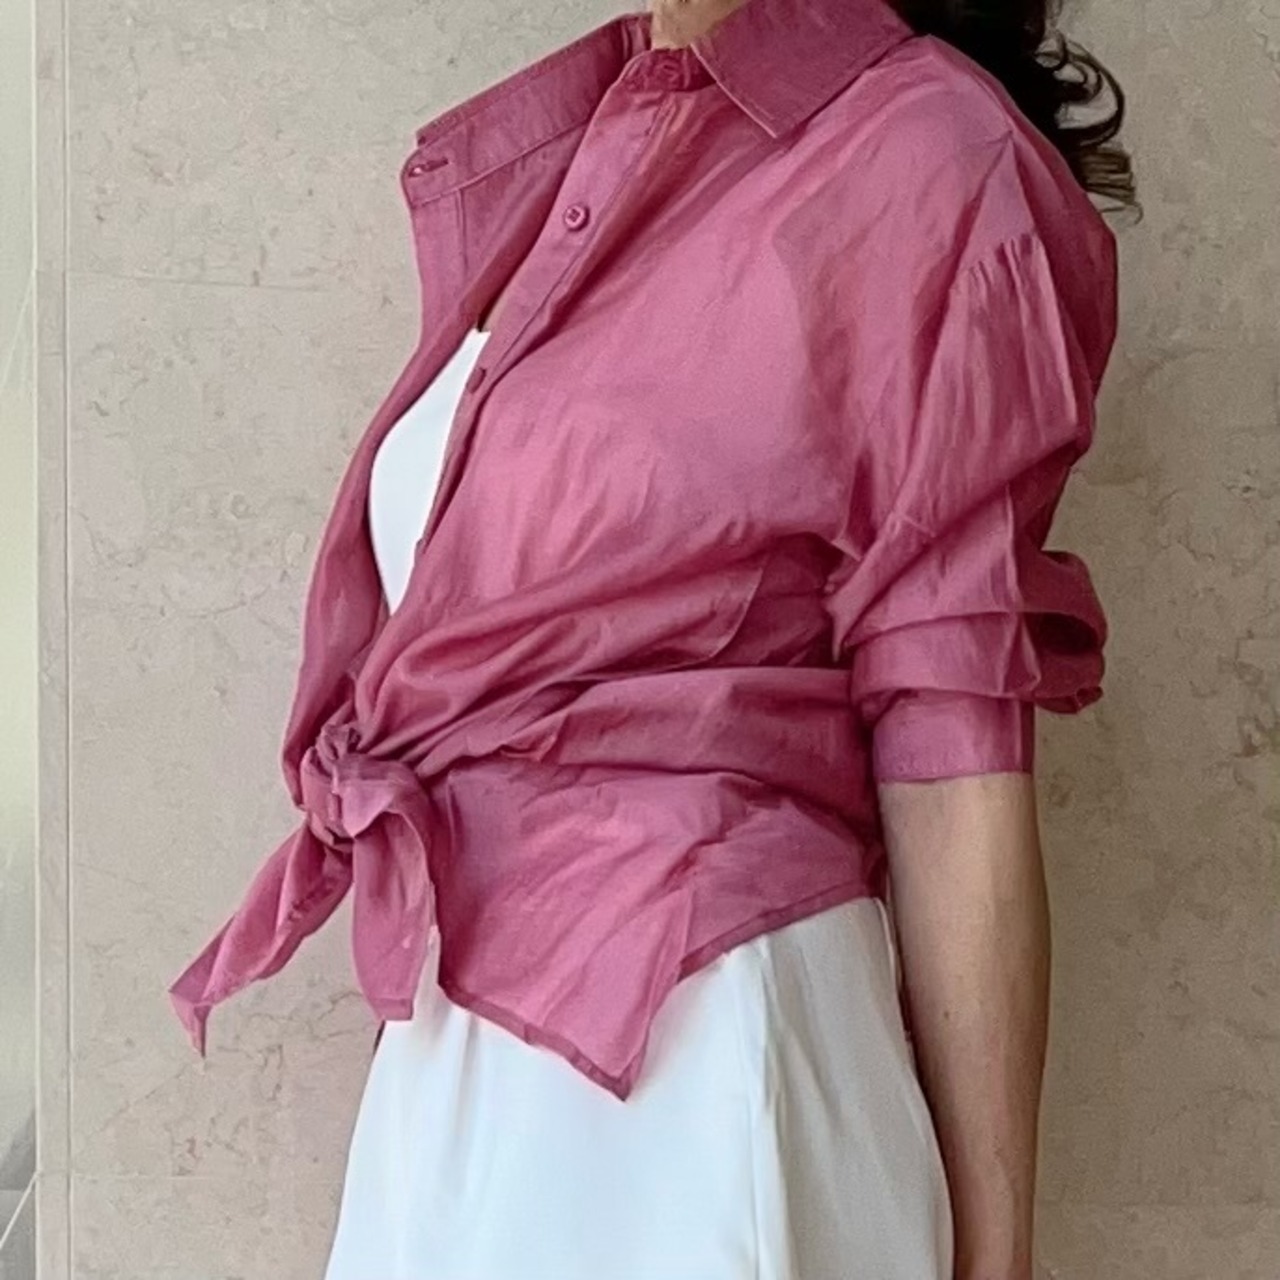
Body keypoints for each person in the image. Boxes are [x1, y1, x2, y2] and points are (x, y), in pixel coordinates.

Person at [169, 1, 1134, 1276]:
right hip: (459, 1057)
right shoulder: (597, 135)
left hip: (699, 1062)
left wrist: (994, 1254)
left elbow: (955, 749)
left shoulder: (932, 153)